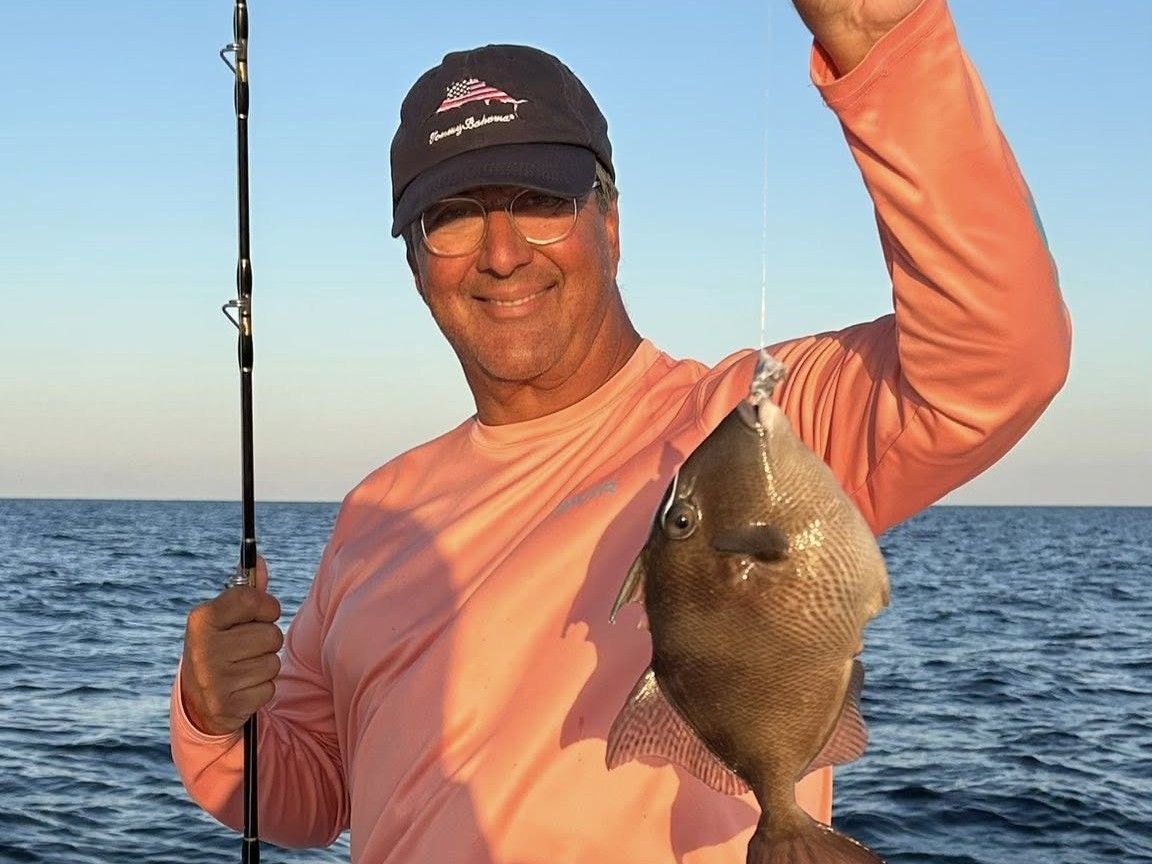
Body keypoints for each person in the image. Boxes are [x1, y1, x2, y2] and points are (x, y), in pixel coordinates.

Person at [172, 0, 1071, 861]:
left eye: (539, 200)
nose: (499, 250)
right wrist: (217, 720)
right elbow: (311, 796)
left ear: (610, 219)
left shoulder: (751, 432)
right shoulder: (378, 514)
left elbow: (1000, 358)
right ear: (414, 263)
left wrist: (889, 47)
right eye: (451, 217)